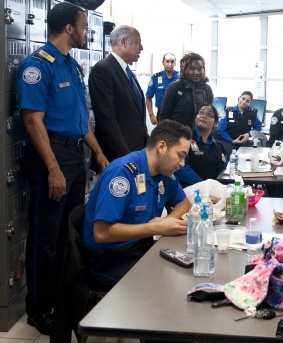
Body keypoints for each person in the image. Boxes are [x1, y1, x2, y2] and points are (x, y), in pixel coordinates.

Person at [17, 2, 108, 335]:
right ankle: (39, 308)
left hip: (74, 156)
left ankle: (62, 297)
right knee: (46, 237)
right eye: (84, 26)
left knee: (69, 234)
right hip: (50, 157)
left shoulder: (71, 66)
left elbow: (81, 121)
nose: (88, 32)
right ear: (69, 28)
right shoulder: (37, 66)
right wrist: (54, 170)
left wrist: (98, 153)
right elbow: (32, 120)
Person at [82, 120, 192, 292]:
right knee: (163, 288)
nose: (182, 163)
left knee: (183, 273)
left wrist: (168, 221)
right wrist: (155, 227)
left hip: (140, 248)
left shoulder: (163, 173)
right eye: (180, 155)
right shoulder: (123, 173)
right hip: (109, 258)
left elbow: (184, 202)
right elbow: (101, 232)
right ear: (161, 147)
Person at [88, 24, 149, 172]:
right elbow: (107, 120)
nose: (141, 48)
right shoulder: (103, 70)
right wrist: (125, 158)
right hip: (117, 159)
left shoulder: (127, 71)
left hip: (135, 154)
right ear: (123, 42)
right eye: (138, 43)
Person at [175, 104, 228, 187]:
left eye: (209, 114)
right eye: (201, 113)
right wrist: (204, 184)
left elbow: (224, 169)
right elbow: (181, 168)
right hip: (190, 189)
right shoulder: (185, 139)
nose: (203, 116)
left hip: (215, 190)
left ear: (215, 123)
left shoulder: (219, 146)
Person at [159, 52, 213, 129]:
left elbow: (209, 116)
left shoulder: (207, 89)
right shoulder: (175, 87)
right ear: (185, 69)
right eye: (192, 69)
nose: (197, 72)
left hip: (199, 137)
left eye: (200, 68)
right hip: (177, 136)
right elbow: (164, 118)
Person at [217, 91, 262, 155]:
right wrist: (232, 140)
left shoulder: (253, 112)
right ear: (239, 98)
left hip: (243, 141)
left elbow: (258, 128)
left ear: (250, 103)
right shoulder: (228, 111)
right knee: (231, 154)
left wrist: (249, 134)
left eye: (247, 101)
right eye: (243, 99)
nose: (244, 102)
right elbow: (220, 131)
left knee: (249, 155)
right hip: (229, 141)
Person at [145, 53, 179, 125]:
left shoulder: (181, 78)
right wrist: (151, 115)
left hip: (178, 113)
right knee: (163, 135)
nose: (170, 64)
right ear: (163, 62)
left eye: (172, 61)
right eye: (167, 61)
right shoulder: (156, 78)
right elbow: (148, 97)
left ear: (175, 63)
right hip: (162, 113)